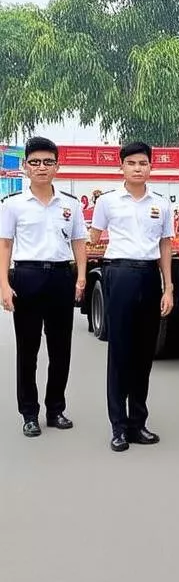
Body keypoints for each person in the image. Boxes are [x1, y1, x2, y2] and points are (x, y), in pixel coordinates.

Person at [89, 142, 175, 452]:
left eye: (143, 163)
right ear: (121, 167)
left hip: (149, 275)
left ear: (151, 167)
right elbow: (94, 238)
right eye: (132, 163)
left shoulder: (162, 204)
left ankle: (138, 422)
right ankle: (118, 427)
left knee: (143, 353)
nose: (138, 168)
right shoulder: (108, 202)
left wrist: (168, 287)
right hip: (119, 274)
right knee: (120, 352)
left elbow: (165, 245)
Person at [0, 136, 87, 436]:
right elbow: (5, 246)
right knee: (28, 350)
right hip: (26, 277)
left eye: (48, 162)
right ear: (25, 166)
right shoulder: (13, 205)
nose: (41, 167)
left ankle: (56, 409)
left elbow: (78, 242)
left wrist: (82, 277)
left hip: (61, 278)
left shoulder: (70, 205)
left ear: (57, 166)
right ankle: (29, 413)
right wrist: (3, 285)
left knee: (61, 349)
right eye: (35, 162)